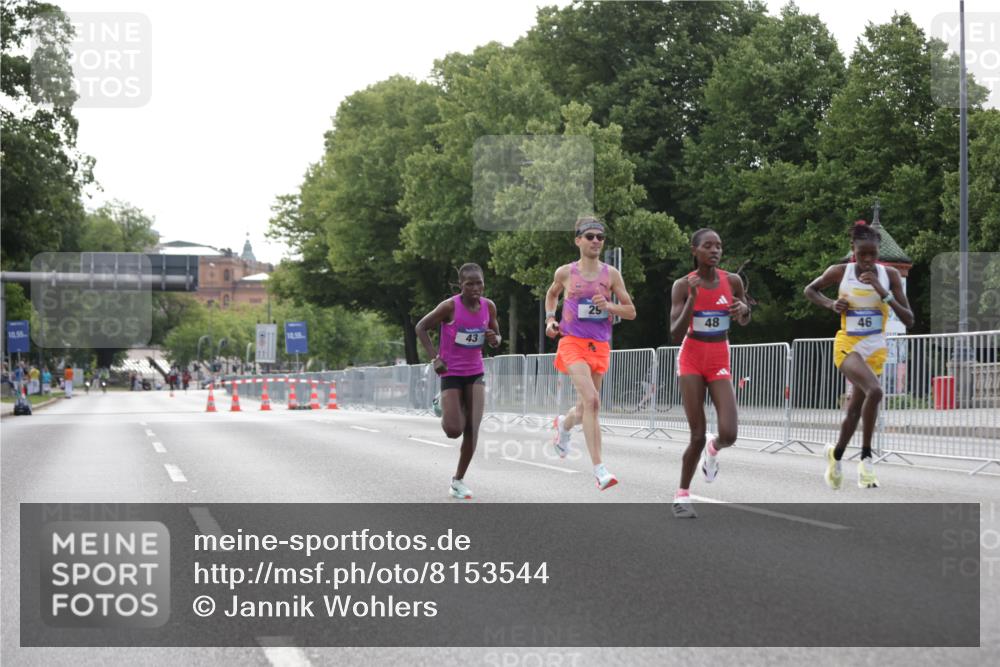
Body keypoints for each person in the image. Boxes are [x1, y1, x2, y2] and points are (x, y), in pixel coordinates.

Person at [804, 221, 913, 490]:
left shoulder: (889, 276)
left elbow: (908, 319)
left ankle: (837, 454)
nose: (866, 260)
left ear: (878, 253)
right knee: (875, 391)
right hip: (848, 345)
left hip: (875, 348)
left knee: (854, 411)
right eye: (861, 254)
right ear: (853, 250)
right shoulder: (840, 271)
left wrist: (881, 290)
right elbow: (810, 290)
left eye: (872, 255)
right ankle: (866, 459)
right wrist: (831, 304)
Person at [545, 216, 636, 491]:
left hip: (600, 346)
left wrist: (609, 306)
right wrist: (551, 320)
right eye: (590, 236)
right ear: (578, 240)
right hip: (572, 342)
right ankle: (600, 469)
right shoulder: (565, 273)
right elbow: (551, 295)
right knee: (593, 401)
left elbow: (631, 311)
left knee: (585, 407)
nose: (596, 240)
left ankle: (563, 424)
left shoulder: (611, 275)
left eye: (600, 236)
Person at [668, 229, 751, 518]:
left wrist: (743, 310)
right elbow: (675, 333)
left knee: (729, 433)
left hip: (719, 357)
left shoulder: (733, 281)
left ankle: (713, 454)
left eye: (718, 246)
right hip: (691, 358)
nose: (714, 250)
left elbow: (743, 318)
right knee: (697, 435)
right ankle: (681, 496)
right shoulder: (682, 285)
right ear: (695, 251)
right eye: (708, 246)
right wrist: (692, 298)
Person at [415, 263, 501, 500]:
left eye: (479, 283)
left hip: (475, 372)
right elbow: (420, 327)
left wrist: (494, 338)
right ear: (460, 286)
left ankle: (458, 481)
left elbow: (496, 337)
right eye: (469, 284)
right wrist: (435, 358)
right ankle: (442, 403)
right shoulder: (450, 306)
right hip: (451, 372)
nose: (475, 288)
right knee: (454, 430)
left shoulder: (488, 307)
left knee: (472, 428)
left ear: (484, 283)